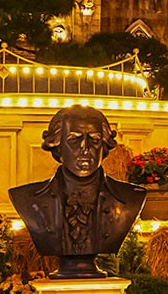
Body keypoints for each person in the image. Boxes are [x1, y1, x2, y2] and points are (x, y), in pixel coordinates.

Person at [8, 104, 147, 278]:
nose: (85, 148)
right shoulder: (26, 198)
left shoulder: (130, 197)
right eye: (74, 139)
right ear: (57, 146)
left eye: (95, 139)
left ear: (104, 146)